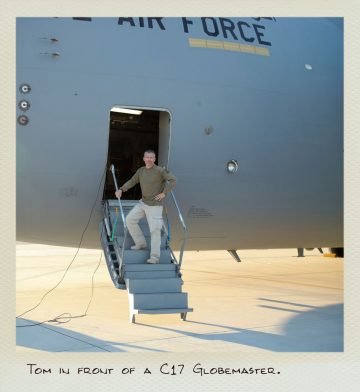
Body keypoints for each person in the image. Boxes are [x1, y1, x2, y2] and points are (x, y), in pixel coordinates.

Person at [115, 150, 176, 264]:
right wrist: (121, 189)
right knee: (129, 220)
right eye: (147, 157)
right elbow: (132, 181)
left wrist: (164, 193)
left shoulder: (160, 170)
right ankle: (141, 243)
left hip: (155, 206)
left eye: (151, 157)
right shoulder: (141, 171)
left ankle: (154, 257)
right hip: (143, 203)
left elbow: (173, 180)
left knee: (155, 231)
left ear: (155, 159)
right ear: (143, 158)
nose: (149, 159)